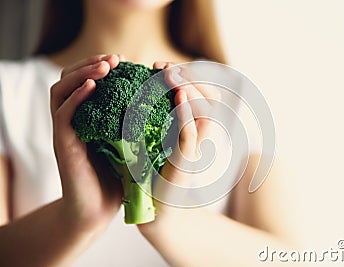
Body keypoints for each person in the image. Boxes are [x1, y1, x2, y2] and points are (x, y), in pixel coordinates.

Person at [0, 0, 291, 266]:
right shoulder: (7, 91)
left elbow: (288, 258)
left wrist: (175, 221)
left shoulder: (237, 94)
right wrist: (75, 219)